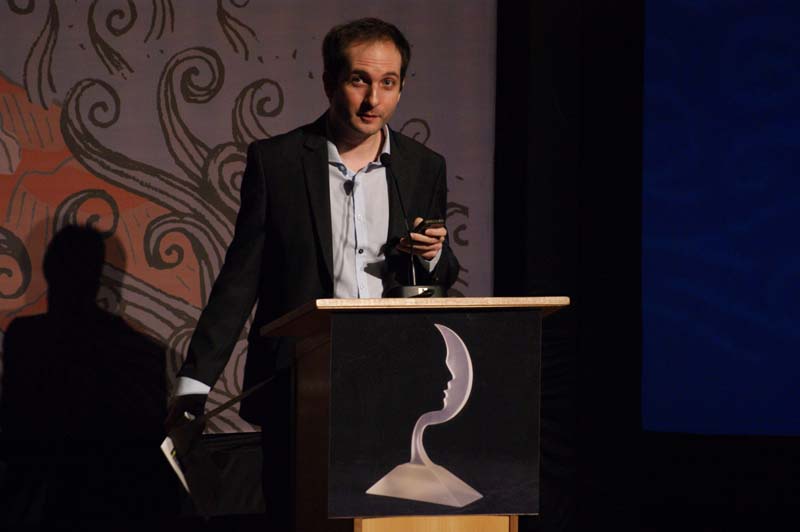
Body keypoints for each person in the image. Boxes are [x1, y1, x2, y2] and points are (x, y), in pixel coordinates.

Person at [166, 17, 460, 527]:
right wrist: (194, 387)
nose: (373, 99)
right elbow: (240, 281)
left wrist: (432, 256)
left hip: (394, 389)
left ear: (401, 87)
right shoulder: (278, 162)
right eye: (359, 80)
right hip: (299, 388)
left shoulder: (422, 166)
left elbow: (440, 273)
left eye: (388, 83)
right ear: (329, 83)